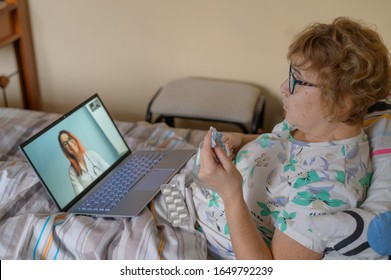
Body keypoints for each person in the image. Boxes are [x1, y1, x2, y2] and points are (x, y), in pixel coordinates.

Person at [193, 17, 391, 259]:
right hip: (189, 197)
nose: (283, 87)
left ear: (342, 103)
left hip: (197, 235)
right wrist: (243, 139)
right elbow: (280, 143)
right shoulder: (310, 125)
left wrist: (231, 195)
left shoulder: (325, 190)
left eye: (298, 80)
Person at [58, 130, 110, 196]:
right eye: (65, 144)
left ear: (74, 139)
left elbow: (111, 173)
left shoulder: (93, 154)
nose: (70, 144)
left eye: (70, 139)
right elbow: (81, 196)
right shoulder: (72, 171)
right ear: (64, 150)